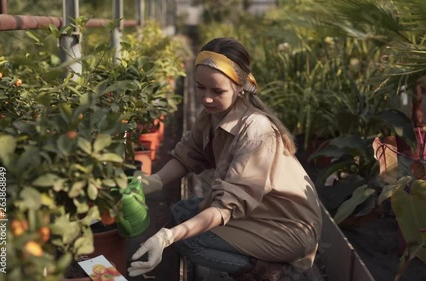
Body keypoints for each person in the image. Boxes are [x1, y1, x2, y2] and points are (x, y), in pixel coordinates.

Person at [128, 37, 323, 281]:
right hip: (256, 212)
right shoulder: (214, 113)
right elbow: (189, 155)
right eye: (200, 87)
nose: (206, 98)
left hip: (284, 227)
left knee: (189, 243)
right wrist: (151, 182)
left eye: (217, 91)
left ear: (240, 86)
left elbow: (225, 206)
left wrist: (168, 236)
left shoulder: (257, 132)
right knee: (181, 209)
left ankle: (267, 270)